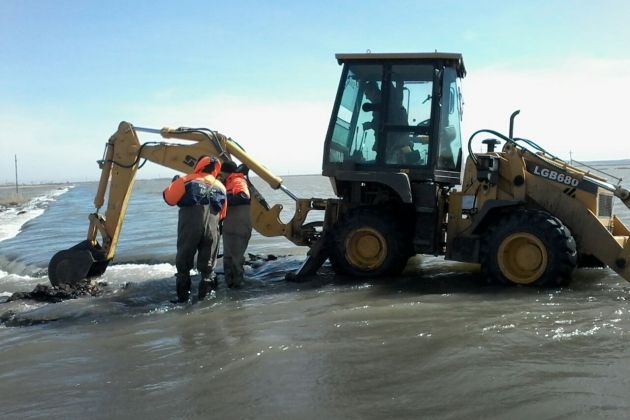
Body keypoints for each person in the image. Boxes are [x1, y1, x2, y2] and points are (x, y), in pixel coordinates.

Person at [163, 156, 227, 302]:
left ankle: (183, 300)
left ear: (199, 165)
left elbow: (169, 199)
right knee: (208, 266)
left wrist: (173, 183)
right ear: (216, 169)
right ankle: (205, 300)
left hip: (190, 226)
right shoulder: (221, 187)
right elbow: (223, 213)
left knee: (184, 262)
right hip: (212, 227)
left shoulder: (187, 180)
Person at [220, 160, 252, 288]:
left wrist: (221, 199)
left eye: (221, 172)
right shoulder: (229, 182)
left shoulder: (237, 180)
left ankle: (237, 288)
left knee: (235, 259)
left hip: (238, 226)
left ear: (226, 171)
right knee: (228, 258)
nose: (219, 175)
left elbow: (244, 196)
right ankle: (231, 286)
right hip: (231, 226)